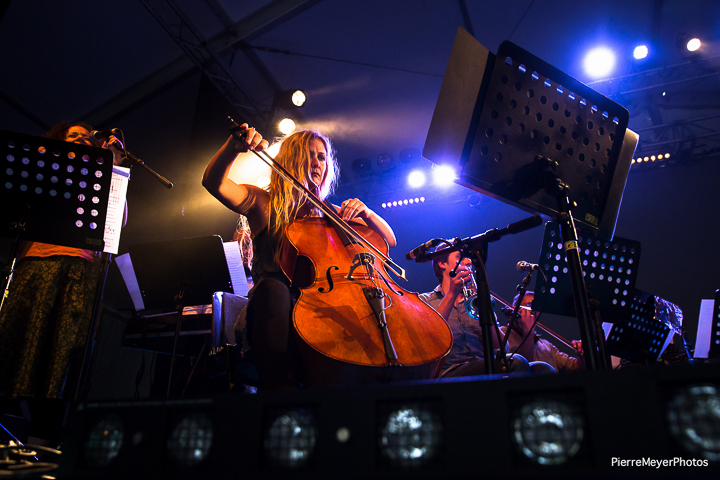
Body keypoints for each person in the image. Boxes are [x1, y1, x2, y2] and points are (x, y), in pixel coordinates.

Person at [202, 124, 397, 389]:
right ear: (291, 159)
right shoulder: (263, 202)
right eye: (309, 155)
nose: (317, 163)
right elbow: (214, 183)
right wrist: (232, 149)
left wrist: (368, 214)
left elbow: (388, 241)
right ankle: (281, 392)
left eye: (322, 157)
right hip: (272, 309)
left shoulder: (331, 213)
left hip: (320, 306)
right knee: (274, 289)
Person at [0, 122, 125, 445]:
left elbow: (118, 221)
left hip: (79, 271)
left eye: (86, 137)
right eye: (73, 136)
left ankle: (43, 439)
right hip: (36, 265)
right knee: (15, 342)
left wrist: (113, 165)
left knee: (62, 354)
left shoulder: (101, 174)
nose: (82, 139)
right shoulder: (47, 163)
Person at [418, 248, 536, 377]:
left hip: (481, 367)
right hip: (447, 373)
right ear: (442, 263)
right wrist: (451, 293)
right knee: (517, 363)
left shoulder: (476, 299)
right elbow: (428, 340)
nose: (468, 261)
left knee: (542, 369)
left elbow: (502, 348)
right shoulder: (425, 300)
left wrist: (487, 314)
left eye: (468, 257)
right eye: (460, 256)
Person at [501, 291, 584, 372]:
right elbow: (523, 368)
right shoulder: (503, 335)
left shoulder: (546, 346)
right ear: (515, 309)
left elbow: (575, 368)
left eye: (536, 307)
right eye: (529, 305)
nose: (533, 310)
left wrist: (581, 355)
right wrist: (528, 330)